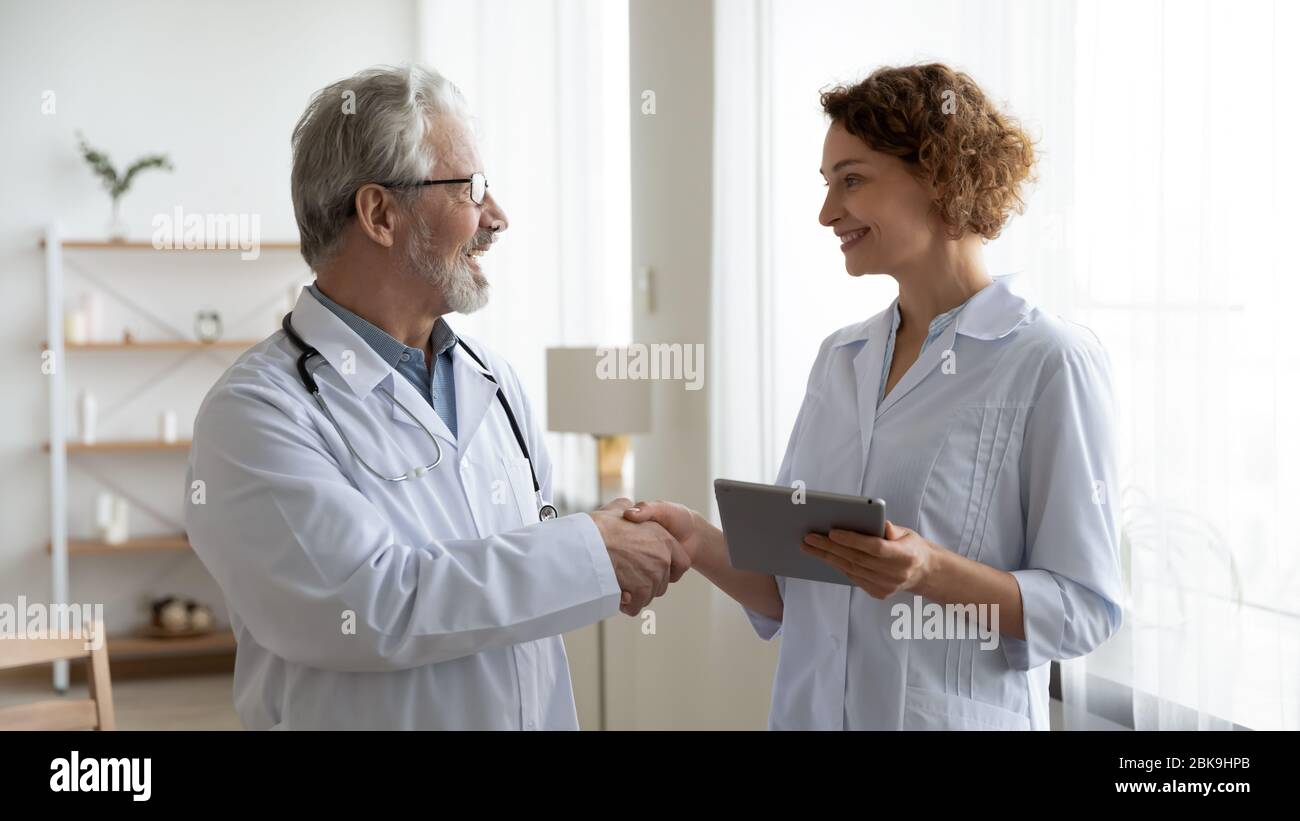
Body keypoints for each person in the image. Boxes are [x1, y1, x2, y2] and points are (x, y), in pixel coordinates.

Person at [184, 65, 686, 730]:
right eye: (473, 190)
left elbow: (515, 603)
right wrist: (590, 551)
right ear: (381, 214)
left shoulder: (496, 383)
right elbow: (369, 607)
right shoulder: (254, 416)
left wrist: (596, 543)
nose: (498, 218)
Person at [625, 63, 1124, 730]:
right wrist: (696, 535)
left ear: (942, 175)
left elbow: (1085, 608)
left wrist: (929, 571)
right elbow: (788, 590)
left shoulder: (1049, 360)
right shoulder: (841, 358)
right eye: (828, 185)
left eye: (851, 181)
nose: (828, 213)